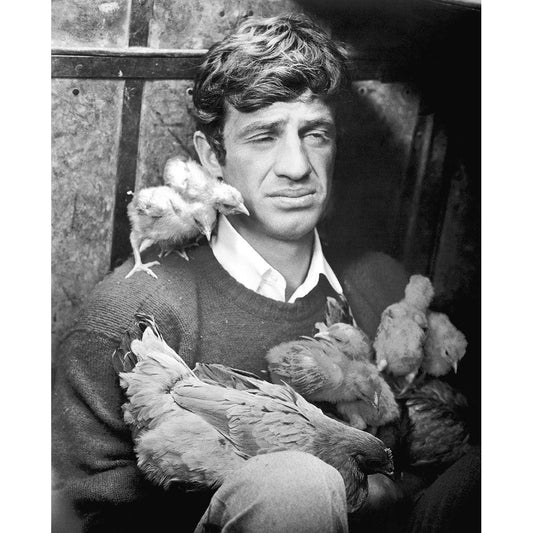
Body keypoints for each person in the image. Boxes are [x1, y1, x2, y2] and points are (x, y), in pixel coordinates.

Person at [52, 13, 479, 533]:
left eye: (315, 133)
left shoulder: (381, 283)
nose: (297, 166)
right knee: (295, 486)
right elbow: (85, 517)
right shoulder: (131, 313)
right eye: (263, 136)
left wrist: (397, 493)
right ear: (212, 156)